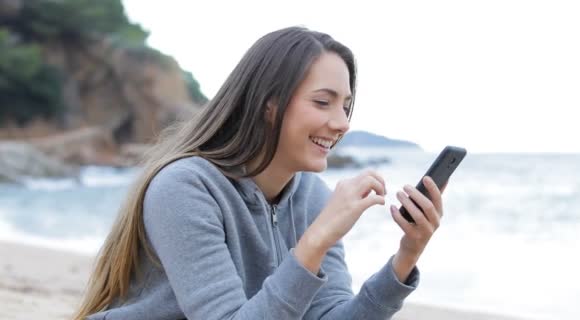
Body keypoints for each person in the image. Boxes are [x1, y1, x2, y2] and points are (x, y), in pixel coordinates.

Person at [73, 26, 446, 320]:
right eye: (322, 102)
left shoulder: (312, 197)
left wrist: (405, 257)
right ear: (269, 104)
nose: (342, 123)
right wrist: (315, 241)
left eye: (346, 106)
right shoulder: (185, 187)